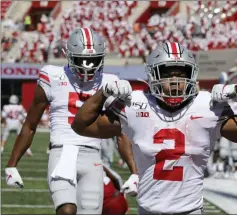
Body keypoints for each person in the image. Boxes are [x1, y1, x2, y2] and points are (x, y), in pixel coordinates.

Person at [72, 42, 237, 214]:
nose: (176, 82)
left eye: (181, 73)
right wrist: (103, 93)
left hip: (189, 210)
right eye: (168, 74)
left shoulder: (207, 106)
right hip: (149, 210)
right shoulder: (135, 104)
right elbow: (81, 126)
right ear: (152, 75)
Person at [5, 28, 138, 215]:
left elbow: (121, 132)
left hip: (92, 156)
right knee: (66, 210)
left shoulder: (110, 81)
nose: (87, 66)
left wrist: (134, 171)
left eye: (93, 60)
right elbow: (30, 125)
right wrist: (11, 165)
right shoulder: (52, 76)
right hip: (62, 152)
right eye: (81, 60)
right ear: (67, 56)